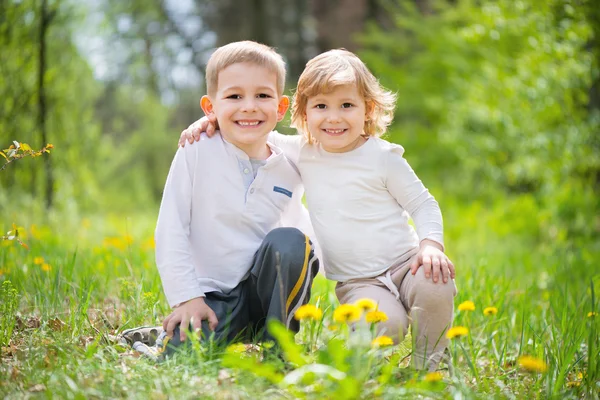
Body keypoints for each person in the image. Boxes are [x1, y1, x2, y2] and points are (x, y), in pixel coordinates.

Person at [181, 49, 457, 371]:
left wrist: (431, 244)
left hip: (404, 263)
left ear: (367, 109)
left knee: (434, 282)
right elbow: (250, 127)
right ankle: (359, 360)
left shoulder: (383, 158)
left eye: (347, 105)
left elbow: (423, 203)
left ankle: (430, 367)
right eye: (321, 106)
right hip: (360, 281)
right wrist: (212, 119)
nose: (333, 117)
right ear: (304, 112)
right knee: (385, 326)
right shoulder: (304, 152)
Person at [143, 40, 319, 357]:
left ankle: (280, 349)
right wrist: (187, 298)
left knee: (292, 241)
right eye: (234, 96)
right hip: (213, 297)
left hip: (265, 295)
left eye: (262, 96)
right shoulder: (196, 151)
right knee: (180, 356)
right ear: (210, 107)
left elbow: (339, 145)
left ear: (280, 107)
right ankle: (159, 336)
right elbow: (171, 228)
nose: (249, 106)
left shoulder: (294, 159)